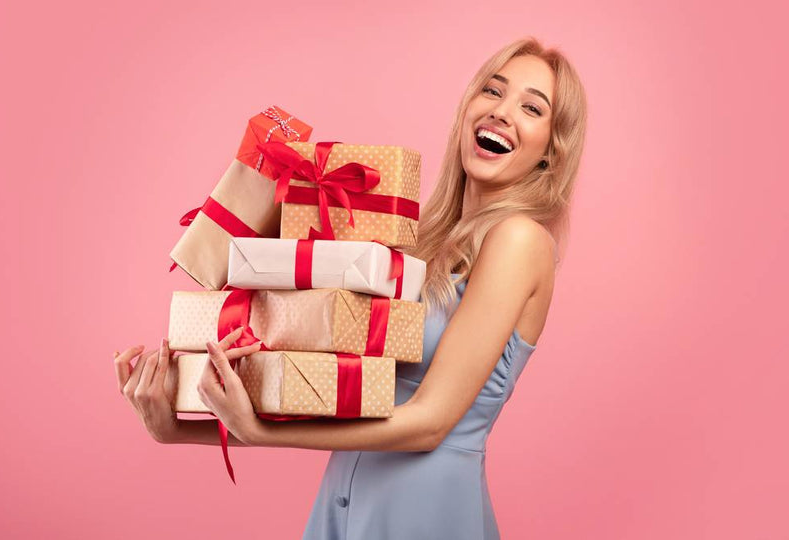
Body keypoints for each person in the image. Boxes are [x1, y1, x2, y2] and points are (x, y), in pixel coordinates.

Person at [114, 35, 587, 539]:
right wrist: (180, 428)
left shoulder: (520, 240)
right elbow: (328, 399)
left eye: (531, 108)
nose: (502, 112)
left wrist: (256, 431)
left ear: (550, 153)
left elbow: (431, 421)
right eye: (493, 91)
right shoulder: (417, 244)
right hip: (343, 506)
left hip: (426, 516)